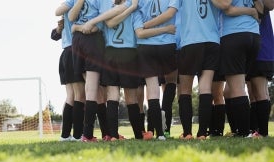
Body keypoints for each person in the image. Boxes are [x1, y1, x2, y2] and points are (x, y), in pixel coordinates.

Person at [69, 0, 135, 142]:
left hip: (77, 42)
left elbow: (71, 19)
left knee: (95, 91)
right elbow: (100, 22)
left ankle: (104, 133)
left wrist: (77, 28)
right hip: (92, 42)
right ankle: (89, 134)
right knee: (94, 90)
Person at [177, 0, 230, 140]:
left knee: (185, 90)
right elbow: (225, 6)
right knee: (205, 88)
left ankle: (187, 133)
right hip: (211, 41)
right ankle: (202, 133)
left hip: (190, 41)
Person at [133, 0, 179, 140]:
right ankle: (165, 130)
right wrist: (165, 29)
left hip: (146, 48)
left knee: (153, 92)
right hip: (167, 44)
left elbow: (140, 33)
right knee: (171, 84)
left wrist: (145, 25)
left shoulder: (138, 2)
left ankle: (159, 134)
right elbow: (170, 13)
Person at [220, 0, 260, 137]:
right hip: (254, 35)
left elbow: (226, 7)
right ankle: (237, 129)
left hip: (233, 34)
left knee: (237, 89)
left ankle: (244, 133)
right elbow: (259, 9)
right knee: (229, 90)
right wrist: (252, 11)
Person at [55, 2, 86, 141]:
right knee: (79, 95)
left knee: (71, 96)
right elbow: (57, 12)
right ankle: (77, 135)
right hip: (73, 51)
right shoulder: (74, 3)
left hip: (66, 54)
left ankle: (65, 135)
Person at [246, 0, 274, 137]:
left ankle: (263, 133)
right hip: (248, 47)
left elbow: (270, 5)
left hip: (263, 47)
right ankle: (255, 131)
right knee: (252, 92)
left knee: (260, 91)